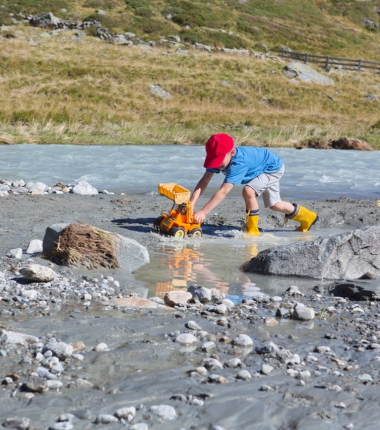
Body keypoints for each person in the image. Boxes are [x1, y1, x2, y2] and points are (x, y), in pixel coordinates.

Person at [190, 133, 318, 236]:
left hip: (272, 168)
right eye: (213, 160)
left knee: (248, 191)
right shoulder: (218, 160)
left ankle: (252, 230)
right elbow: (204, 181)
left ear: (232, 152)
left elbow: (223, 191)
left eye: (218, 161)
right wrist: (192, 203)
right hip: (262, 167)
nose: (216, 165)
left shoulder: (238, 164)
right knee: (275, 205)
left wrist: (203, 212)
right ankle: (308, 217)